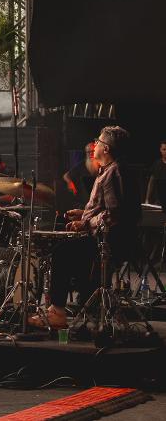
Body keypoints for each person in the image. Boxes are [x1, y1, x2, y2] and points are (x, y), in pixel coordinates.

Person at [29, 126, 141, 329]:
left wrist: (86, 222)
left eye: (98, 142)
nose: (95, 144)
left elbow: (114, 214)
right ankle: (77, 303)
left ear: (106, 149)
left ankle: (57, 312)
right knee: (64, 247)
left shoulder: (113, 173)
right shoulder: (110, 170)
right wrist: (84, 214)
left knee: (61, 252)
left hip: (107, 242)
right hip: (103, 237)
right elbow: (108, 208)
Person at [63, 142, 100, 209]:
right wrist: (71, 184)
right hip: (85, 200)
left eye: (92, 151)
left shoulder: (101, 164)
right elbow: (66, 176)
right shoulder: (82, 165)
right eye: (88, 152)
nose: (90, 153)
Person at [145, 140, 166, 205]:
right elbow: (151, 183)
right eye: (164, 149)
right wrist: (147, 199)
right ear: (160, 150)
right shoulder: (157, 164)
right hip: (158, 202)